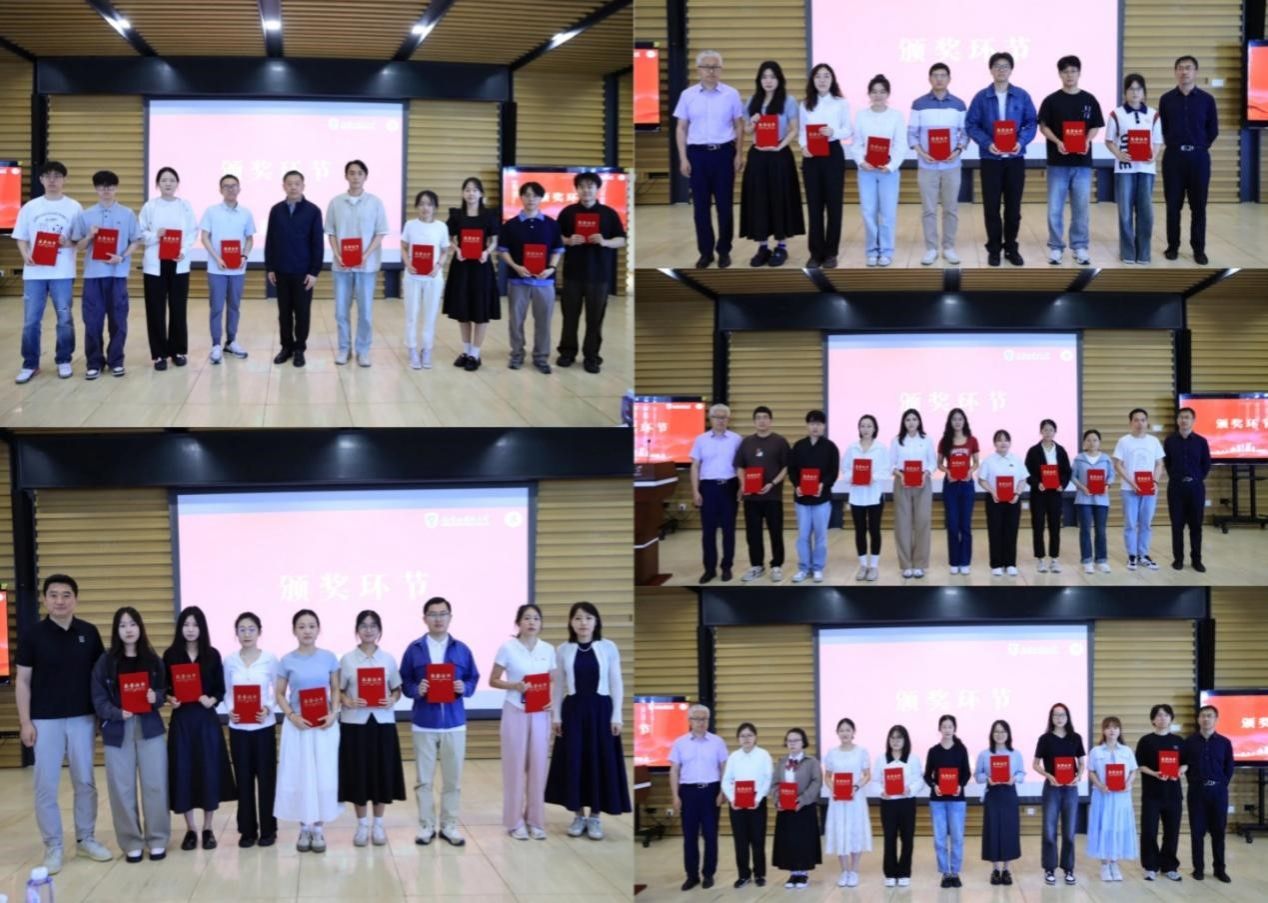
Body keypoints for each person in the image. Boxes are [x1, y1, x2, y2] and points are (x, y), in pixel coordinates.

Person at [15, 574, 113, 873]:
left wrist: (101, 716)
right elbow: (23, 681)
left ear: (76, 599)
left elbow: (101, 679)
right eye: (54, 595)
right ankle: (53, 846)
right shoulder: (33, 635)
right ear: (45, 599)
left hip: (83, 719)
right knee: (46, 785)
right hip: (44, 721)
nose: (60, 600)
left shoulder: (89, 633)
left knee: (85, 781)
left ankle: (85, 839)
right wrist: (25, 722)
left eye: (66, 595)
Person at [90, 607, 170, 863]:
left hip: (150, 730)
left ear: (140, 627)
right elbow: (98, 698)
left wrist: (155, 697)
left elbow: (163, 691)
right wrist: (115, 712)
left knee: (156, 785)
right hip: (118, 731)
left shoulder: (153, 659)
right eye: (123, 625)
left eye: (133, 624)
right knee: (121, 788)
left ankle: (157, 839)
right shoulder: (105, 662)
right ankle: (131, 842)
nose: (128, 629)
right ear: (116, 630)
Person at [545, 601, 631, 839]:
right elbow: (558, 686)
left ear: (596, 622)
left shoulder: (608, 647)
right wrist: (556, 716)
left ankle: (595, 817)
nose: (583, 623)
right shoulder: (563, 649)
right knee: (575, 761)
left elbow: (616, 682)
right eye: (578, 618)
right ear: (571, 622)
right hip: (573, 711)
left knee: (598, 760)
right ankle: (578, 815)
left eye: (588, 618)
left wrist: (617, 715)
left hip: (601, 711)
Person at [399, 596, 479, 847]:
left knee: (452, 780)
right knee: (424, 780)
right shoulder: (414, 649)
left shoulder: (461, 649)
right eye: (433, 614)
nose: (438, 618)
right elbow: (404, 682)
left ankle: (449, 825)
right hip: (424, 723)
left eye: (443, 613)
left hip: (454, 723)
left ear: (450, 617)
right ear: (424, 618)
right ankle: (425, 826)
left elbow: (473, 678)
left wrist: (464, 687)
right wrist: (417, 689)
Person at [163, 606, 235, 852]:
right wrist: (170, 698)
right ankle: (190, 829)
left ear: (202, 628)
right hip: (182, 720)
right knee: (183, 771)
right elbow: (165, 687)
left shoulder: (212, 655)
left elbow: (220, 689)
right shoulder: (171, 655)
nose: (191, 629)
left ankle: (207, 828)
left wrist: (211, 699)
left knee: (208, 771)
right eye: (186, 624)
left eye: (195, 624)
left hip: (205, 720)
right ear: (180, 628)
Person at [274, 609, 342, 853]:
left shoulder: (329, 657)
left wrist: (333, 713)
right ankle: (304, 827)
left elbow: (335, 689)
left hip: (324, 726)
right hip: (298, 726)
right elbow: (279, 693)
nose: (307, 631)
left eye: (312, 626)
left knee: (323, 775)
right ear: (294, 630)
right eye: (301, 626)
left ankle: (319, 828)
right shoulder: (287, 660)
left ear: (318, 629)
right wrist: (292, 716)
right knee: (301, 775)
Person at [337, 610, 406, 847]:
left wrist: (392, 698)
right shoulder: (347, 659)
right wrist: (347, 701)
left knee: (381, 772)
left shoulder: (388, 659)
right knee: (358, 774)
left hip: (382, 723)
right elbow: (339, 691)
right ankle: (361, 825)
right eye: (364, 626)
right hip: (355, 724)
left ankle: (378, 825)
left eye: (373, 625)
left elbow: (397, 689)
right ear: (357, 630)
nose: (368, 630)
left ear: (379, 630)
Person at [674, 49, 746, 268]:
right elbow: (681, 128)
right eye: (706, 66)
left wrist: (739, 153)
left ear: (721, 69)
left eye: (715, 67)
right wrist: (683, 158)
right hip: (697, 155)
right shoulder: (687, 95)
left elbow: (739, 125)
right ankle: (705, 252)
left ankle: (724, 250)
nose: (711, 71)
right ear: (699, 70)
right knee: (701, 208)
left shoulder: (731, 94)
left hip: (724, 154)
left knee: (725, 206)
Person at [13, 161, 83, 384]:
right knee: (31, 321)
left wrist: (67, 242)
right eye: (48, 176)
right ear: (41, 180)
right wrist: (25, 255)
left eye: (57, 176)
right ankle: (30, 364)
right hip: (34, 273)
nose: (52, 180)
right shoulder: (30, 207)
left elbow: (81, 240)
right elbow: (21, 237)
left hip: (62, 272)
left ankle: (64, 359)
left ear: (64, 180)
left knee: (64, 318)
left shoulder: (74, 207)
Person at [965, 52, 1037, 266]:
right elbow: (971, 125)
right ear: (991, 70)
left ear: (1011, 70)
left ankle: (1011, 247)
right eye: (997, 66)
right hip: (991, 159)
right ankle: (994, 248)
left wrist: (1021, 141)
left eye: (1005, 66)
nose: (1001, 69)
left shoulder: (1022, 96)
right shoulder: (981, 97)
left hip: (1015, 158)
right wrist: (987, 143)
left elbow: (1031, 122)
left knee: (1013, 208)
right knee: (991, 207)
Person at [490, 603, 556, 840]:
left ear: (541, 623)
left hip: (540, 712)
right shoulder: (508, 648)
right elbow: (493, 680)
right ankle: (514, 821)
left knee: (538, 767)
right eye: (527, 618)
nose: (531, 622)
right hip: (515, 710)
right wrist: (514, 685)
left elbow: (553, 680)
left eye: (536, 618)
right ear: (518, 623)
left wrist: (552, 700)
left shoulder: (548, 649)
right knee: (515, 767)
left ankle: (535, 821)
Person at [556, 171, 627, 373]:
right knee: (570, 316)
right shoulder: (567, 212)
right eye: (582, 186)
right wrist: (568, 240)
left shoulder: (609, 213)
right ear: (576, 189)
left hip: (599, 275)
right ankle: (567, 352)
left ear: (597, 189)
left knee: (595, 318)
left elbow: (621, 239)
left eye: (590, 186)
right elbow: (555, 237)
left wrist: (605, 242)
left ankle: (591, 356)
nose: (586, 190)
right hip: (572, 274)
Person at [1038, 56, 1104, 265]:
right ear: (1060, 74)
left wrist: (1087, 140)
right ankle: (1056, 247)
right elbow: (1043, 126)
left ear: (1079, 73)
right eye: (1065, 71)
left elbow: (1095, 125)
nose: (1069, 75)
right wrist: (1058, 141)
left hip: (1082, 163)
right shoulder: (1051, 100)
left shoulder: (1089, 99)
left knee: (1081, 208)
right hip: (1057, 163)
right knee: (1055, 208)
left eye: (1073, 71)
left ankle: (1080, 246)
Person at [74, 169, 140, 379]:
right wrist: (89, 236)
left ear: (116, 188)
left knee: (118, 320)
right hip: (93, 276)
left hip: (117, 275)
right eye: (102, 187)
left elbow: (136, 241)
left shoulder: (127, 214)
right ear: (96, 189)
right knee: (92, 321)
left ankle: (116, 361)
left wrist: (122, 257)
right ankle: (94, 362)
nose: (106, 190)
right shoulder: (86, 215)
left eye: (110, 186)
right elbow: (78, 246)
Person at [222, 611, 280, 848]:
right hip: (238, 728)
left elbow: (278, 690)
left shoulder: (270, 659)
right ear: (236, 633)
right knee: (243, 780)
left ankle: (268, 829)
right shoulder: (229, 661)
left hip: (264, 727)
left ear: (260, 632)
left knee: (266, 779)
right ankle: (247, 831)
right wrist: (230, 710)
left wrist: (268, 708)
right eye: (242, 629)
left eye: (251, 629)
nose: (247, 634)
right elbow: (227, 692)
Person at [739, 60, 804, 267]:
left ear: (779, 79)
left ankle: (781, 246)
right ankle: (762, 247)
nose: (768, 81)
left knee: (779, 199)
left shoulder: (788, 101)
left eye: (772, 77)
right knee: (759, 200)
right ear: (759, 80)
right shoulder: (752, 100)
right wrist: (753, 122)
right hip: (758, 156)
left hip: (779, 155)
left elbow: (794, 129)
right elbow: (747, 130)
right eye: (764, 77)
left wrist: (779, 146)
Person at [326, 159, 388, 367]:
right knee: (341, 312)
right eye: (351, 173)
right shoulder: (336, 202)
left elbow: (380, 233)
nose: (355, 177)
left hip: (366, 267)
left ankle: (363, 350)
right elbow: (331, 233)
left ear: (365, 176)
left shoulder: (375, 202)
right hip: (341, 267)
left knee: (366, 313)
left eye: (360, 173)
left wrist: (365, 255)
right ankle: (344, 349)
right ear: (346, 176)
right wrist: (337, 254)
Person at [1159, 56, 1218, 264]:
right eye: (1180, 68)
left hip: (1198, 158)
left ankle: (1198, 249)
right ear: (1175, 72)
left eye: (1188, 68)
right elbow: (1163, 128)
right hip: (1173, 158)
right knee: (1173, 206)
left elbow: (1213, 129)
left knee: (1198, 206)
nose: (1184, 72)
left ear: (1195, 72)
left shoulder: (1207, 100)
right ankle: (1172, 246)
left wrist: (1199, 147)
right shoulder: (1166, 99)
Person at [500, 181, 564, 375]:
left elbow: (557, 250)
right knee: (516, 321)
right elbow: (503, 250)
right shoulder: (511, 225)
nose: (531, 199)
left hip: (544, 282)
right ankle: (517, 355)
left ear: (541, 198)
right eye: (527, 195)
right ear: (521, 197)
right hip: (518, 280)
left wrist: (551, 268)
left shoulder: (551, 224)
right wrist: (515, 266)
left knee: (544, 321)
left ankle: (541, 357)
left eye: (535, 195)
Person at [138, 166, 197, 370]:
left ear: (177, 184)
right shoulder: (150, 206)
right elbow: (140, 233)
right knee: (155, 309)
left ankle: (178, 350)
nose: (168, 183)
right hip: (155, 264)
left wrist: (184, 250)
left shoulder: (185, 206)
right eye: (164, 180)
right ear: (157, 184)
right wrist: (156, 235)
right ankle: (159, 354)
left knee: (178, 307)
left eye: (172, 180)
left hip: (179, 262)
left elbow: (192, 232)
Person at [909, 62, 968, 265]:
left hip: (952, 166)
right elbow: (912, 134)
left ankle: (949, 247)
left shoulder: (959, 104)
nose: (939, 79)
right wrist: (922, 153)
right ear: (929, 78)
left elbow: (965, 133)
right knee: (929, 210)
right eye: (935, 75)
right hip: (927, 166)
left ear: (949, 79)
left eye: (943, 75)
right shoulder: (919, 104)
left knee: (951, 209)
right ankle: (931, 248)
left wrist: (957, 151)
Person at [264, 169, 324, 367]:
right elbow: (270, 241)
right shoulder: (276, 210)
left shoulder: (313, 211)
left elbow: (317, 244)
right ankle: (286, 347)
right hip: (281, 271)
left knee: (302, 312)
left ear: (303, 186)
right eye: (289, 183)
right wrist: (270, 267)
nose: (293, 187)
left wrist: (314, 272)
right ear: (284, 186)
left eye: (297, 183)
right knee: (284, 313)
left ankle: (299, 349)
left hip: (303, 272)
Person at [668, 703, 729, 890]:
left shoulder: (717, 742)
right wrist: (675, 796)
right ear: (690, 721)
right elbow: (674, 770)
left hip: (711, 791)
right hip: (688, 793)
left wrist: (722, 792)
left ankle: (708, 874)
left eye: (705, 719)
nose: (701, 722)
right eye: (697, 719)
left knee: (710, 836)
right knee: (690, 837)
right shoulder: (680, 742)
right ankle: (691, 876)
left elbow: (724, 768)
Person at [1105, 73, 1164, 263]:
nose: (1135, 93)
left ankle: (1144, 253)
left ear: (1144, 92)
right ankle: (1128, 252)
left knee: (1145, 213)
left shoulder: (1153, 114)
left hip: (1146, 169)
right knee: (1125, 213)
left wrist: (1153, 156)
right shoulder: (1116, 114)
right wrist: (1119, 154)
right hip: (1124, 170)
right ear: (1125, 92)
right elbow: (1109, 140)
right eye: (1131, 89)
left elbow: (1157, 141)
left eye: (1139, 89)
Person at [443, 176, 500, 371]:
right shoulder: (456, 215)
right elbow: (449, 238)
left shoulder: (489, 215)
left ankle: (476, 353)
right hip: (462, 266)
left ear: (481, 193)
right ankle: (466, 351)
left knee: (480, 310)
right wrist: (457, 249)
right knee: (463, 309)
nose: (471, 193)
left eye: (475, 190)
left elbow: (494, 241)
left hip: (481, 266)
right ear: (462, 193)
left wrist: (487, 252)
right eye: (467, 189)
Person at [198, 173, 255, 364]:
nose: (230, 189)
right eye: (226, 186)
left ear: (239, 189)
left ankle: (231, 341)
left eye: (234, 186)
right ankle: (216, 344)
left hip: (238, 269)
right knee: (216, 307)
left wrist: (244, 256)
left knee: (234, 306)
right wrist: (217, 258)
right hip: (217, 269)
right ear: (220, 190)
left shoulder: (246, 213)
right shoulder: (211, 211)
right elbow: (204, 237)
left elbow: (249, 239)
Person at [800, 63, 851, 268]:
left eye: (826, 76)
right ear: (812, 80)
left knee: (834, 205)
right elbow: (802, 132)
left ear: (832, 80)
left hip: (833, 154)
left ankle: (831, 253)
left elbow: (848, 130)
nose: (822, 80)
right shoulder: (805, 104)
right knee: (814, 206)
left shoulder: (841, 103)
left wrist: (834, 132)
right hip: (811, 156)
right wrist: (803, 146)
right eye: (818, 76)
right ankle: (815, 253)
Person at [853, 75, 906, 267]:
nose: (878, 95)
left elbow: (900, 145)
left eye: (882, 91)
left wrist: (890, 165)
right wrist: (861, 161)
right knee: (868, 212)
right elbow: (856, 143)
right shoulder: (861, 115)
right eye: (874, 92)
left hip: (888, 172)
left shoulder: (896, 116)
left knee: (887, 213)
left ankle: (886, 251)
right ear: (869, 94)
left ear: (888, 94)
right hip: (866, 171)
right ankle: (871, 250)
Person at [734, 405, 791, 582]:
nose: (762, 421)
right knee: (753, 534)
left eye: (765, 417)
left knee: (776, 532)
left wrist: (772, 483)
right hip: (751, 498)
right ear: (754, 421)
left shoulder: (780, 441)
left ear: (771, 420)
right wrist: (744, 484)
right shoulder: (746, 442)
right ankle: (757, 566)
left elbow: (786, 467)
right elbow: (739, 466)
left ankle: (776, 566)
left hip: (773, 496)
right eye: (758, 418)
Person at [1034, 702, 1087, 885]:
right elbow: (1035, 764)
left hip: (1070, 789)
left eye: (1062, 715)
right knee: (1049, 831)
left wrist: (1078, 776)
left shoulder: (1075, 738)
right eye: (1056, 715)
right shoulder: (1045, 739)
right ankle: (1049, 868)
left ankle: (1068, 868)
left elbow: (1081, 763)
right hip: (1052, 789)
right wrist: (1048, 775)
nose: (1059, 718)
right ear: (1051, 718)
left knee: (1069, 832)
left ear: (1067, 717)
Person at [690, 403, 744, 583]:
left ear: (728, 419)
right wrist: (695, 491)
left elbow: (740, 466)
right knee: (708, 531)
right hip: (708, 488)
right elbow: (695, 466)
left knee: (729, 530)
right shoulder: (701, 439)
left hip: (730, 486)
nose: (720, 420)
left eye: (724, 417)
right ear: (710, 419)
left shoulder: (736, 439)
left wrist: (742, 486)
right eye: (717, 417)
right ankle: (709, 569)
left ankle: (726, 568)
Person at [400, 189, 450, 369]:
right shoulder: (410, 225)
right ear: (416, 206)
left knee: (430, 315)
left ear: (435, 207)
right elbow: (404, 247)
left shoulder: (441, 227)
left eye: (429, 204)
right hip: (413, 276)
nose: (425, 207)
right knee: (411, 315)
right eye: (421, 204)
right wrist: (408, 264)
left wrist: (438, 266)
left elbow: (444, 250)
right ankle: (412, 349)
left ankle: (427, 349)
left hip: (433, 277)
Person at [1183, 704, 1234, 882]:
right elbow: (1184, 764)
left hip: (1218, 793)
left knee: (1218, 832)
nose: (1206, 719)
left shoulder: (1225, 742)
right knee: (1197, 832)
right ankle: (1198, 869)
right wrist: (1194, 781)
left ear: (1216, 719)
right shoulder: (1189, 742)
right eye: (1203, 716)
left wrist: (1221, 784)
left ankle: (1219, 869)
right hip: (1197, 791)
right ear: (1198, 719)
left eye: (1210, 716)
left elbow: (1229, 767)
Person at [788, 409, 840, 583]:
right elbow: (792, 470)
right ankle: (804, 568)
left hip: (821, 500)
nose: (815, 427)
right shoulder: (798, 446)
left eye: (818, 424)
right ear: (807, 425)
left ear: (824, 426)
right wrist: (797, 485)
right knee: (803, 536)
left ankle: (817, 568)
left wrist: (822, 484)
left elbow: (833, 472)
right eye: (812, 423)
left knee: (820, 536)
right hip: (802, 500)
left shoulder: (830, 447)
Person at [1135, 703, 1186, 881]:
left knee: (1172, 831)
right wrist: (1155, 773)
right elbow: (1140, 765)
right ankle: (1150, 866)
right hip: (1151, 795)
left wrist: (1179, 771)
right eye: (1158, 715)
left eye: (1166, 715)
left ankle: (1169, 866)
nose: (1162, 718)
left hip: (1173, 794)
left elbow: (1186, 763)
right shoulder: (1146, 741)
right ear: (1153, 720)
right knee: (1149, 831)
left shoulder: (1178, 741)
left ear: (1171, 719)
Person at [1113, 408, 1166, 571]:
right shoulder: (1124, 441)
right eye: (1136, 420)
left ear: (1147, 422)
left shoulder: (1154, 441)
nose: (1140, 423)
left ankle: (1143, 554)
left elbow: (1159, 464)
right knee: (1130, 523)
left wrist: (1155, 482)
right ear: (1130, 423)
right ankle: (1132, 555)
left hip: (1149, 490)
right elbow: (1117, 465)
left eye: (1143, 420)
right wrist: (1131, 482)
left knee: (1146, 524)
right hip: (1129, 489)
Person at [721, 722, 773, 888]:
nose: (746, 739)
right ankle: (743, 875)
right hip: (737, 804)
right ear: (738, 739)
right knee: (740, 841)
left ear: (755, 737)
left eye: (749, 735)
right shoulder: (734, 757)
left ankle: (759, 874)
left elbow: (768, 778)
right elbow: (726, 780)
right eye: (742, 736)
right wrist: (732, 799)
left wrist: (758, 798)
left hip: (757, 803)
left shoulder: (763, 755)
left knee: (758, 840)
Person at [1087, 716, 1138, 881]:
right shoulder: (1096, 751)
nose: (1112, 730)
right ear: (1103, 730)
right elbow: (1091, 771)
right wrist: (1100, 785)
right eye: (1108, 727)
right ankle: (1104, 865)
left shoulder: (1126, 751)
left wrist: (1128, 784)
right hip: (1102, 796)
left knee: (1118, 827)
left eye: (1115, 727)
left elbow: (1133, 770)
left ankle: (1114, 863)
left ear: (1119, 730)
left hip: (1121, 798)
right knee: (1104, 827)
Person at [823, 717, 871, 889]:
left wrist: (855, 787)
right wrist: (833, 788)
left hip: (855, 798)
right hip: (838, 799)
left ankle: (854, 871)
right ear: (837, 733)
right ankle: (844, 870)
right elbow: (827, 776)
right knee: (840, 831)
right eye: (841, 730)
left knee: (855, 831)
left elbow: (867, 775)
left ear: (853, 732)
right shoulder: (832, 752)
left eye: (848, 730)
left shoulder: (861, 751)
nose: (845, 733)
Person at [976, 719, 1025, 886]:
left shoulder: (1015, 754)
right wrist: (987, 778)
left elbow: (1021, 774)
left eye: (1003, 731)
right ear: (992, 734)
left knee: (1009, 831)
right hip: (993, 795)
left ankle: (1007, 869)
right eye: (996, 731)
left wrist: (1014, 778)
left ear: (1008, 734)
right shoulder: (984, 754)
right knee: (993, 830)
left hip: (1009, 794)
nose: (999, 734)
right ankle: (996, 869)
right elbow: (977, 776)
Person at [772, 727, 822, 889]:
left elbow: (816, 782)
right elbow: (775, 784)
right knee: (789, 841)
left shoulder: (812, 762)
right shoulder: (781, 762)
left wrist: (802, 800)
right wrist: (777, 800)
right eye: (789, 740)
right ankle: (793, 873)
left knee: (803, 841)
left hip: (804, 807)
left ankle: (803, 873)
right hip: (785, 809)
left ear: (803, 742)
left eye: (796, 740)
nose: (792, 743)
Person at [924, 714, 970, 888]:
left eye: (950, 726)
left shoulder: (961, 749)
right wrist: (934, 785)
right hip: (938, 801)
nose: (947, 730)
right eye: (944, 726)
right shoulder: (933, 751)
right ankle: (945, 873)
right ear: (939, 729)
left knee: (957, 838)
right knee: (940, 839)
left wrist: (960, 785)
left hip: (957, 800)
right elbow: (927, 775)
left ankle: (955, 872)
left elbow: (966, 773)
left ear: (954, 729)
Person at [890, 408, 937, 578]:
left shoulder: (926, 440)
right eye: (908, 419)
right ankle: (906, 564)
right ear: (904, 422)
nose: (911, 422)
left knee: (923, 522)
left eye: (914, 419)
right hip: (902, 481)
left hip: (923, 482)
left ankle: (920, 564)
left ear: (919, 422)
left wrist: (925, 474)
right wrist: (900, 475)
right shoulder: (896, 441)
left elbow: (932, 463)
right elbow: (891, 464)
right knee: (903, 524)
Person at [1164, 406, 1212, 571]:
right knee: (1177, 525)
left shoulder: (1201, 441)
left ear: (1193, 420)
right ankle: (1178, 559)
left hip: (1196, 489)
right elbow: (1167, 463)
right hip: (1176, 488)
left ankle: (1196, 560)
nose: (1183, 420)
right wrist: (1177, 477)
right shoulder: (1170, 441)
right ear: (1177, 420)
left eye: (1187, 417)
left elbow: (1206, 464)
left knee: (1196, 526)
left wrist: (1196, 479)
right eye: (1181, 417)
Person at [874, 724, 921, 888]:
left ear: (905, 740)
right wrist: (881, 792)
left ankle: (904, 872)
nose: (895, 741)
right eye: (892, 738)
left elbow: (919, 780)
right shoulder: (881, 759)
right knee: (889, 838)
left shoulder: (913, 759)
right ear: (888, 740)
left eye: (899, 737)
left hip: (907, 802)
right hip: (888, 804)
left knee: (907, 838)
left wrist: (910, 789)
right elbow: (875, 781)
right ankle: (890, 873)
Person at [977, 429, 1028, 576]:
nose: (1003, 443)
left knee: (1011, 531)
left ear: (1010, 442)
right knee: (995, 532)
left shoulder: (1016, 459)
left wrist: (1017, 493)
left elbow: (1023, 479)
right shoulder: (989, 460)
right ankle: (996, 564)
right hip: (994, 500)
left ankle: (1010, 563)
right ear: (994, 443)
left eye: (1006, 440)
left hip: (1013, 500)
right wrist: (993, 492)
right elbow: (981, 480)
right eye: (999, 440)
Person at [1025, 419, 1072, 572]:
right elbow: (1027, 472)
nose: (1048, 433)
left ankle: (1054, 559)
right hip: (1039, 494)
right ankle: (1040, 559)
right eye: (1045, 429)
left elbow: (1067, 472)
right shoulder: (1033, 451)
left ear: (1055, 432)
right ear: (1041, 431)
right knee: (1038, 526)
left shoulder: (1061, 450)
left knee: (1055, 526)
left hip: (1055, 494)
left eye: (1051, 430)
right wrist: (1037, 483)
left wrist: (1062, 484)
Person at [845, 414, 888, 581]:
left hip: (874, 495)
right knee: (860, 531)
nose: (866, 429)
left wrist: (873, 477)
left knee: (875, 530)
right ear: (859, 428)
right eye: (863, 426)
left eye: (869, 426)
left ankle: (874, 566)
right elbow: (845, 469)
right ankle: (863, 565)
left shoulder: (881, 448)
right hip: (857, 496)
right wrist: (852, 477)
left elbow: (885, 471)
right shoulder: (852, 448)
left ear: (875, 428)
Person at [937, 408, 980, 575]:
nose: (957, 422)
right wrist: (947, 471)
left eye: (960, 419)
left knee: (965, 526)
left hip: (967, 485)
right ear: (950, 422)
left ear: (964, 421)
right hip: (951, 485)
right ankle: (954, 561)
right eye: (954, 419)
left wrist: (970, 471)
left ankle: (965, 561)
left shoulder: (972, 440)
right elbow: (939, 463)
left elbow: (976, 462)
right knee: (953, 525)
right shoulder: (945, 441)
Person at [1072, 429, 1115, 573]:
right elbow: (1073, 476)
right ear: (1084, 442)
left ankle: (1101, 560)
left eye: (1095, 440)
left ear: (1099, 442)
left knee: (1101, 531)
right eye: (1089, 440)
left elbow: (1111, 476)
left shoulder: (1106, 459)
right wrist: (1082, 487)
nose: (1092, 443)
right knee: (1085, 530)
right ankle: (1087, 560)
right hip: (1083, 499)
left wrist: (1107, 485)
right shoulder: (1079, 459)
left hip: (1101, 500)